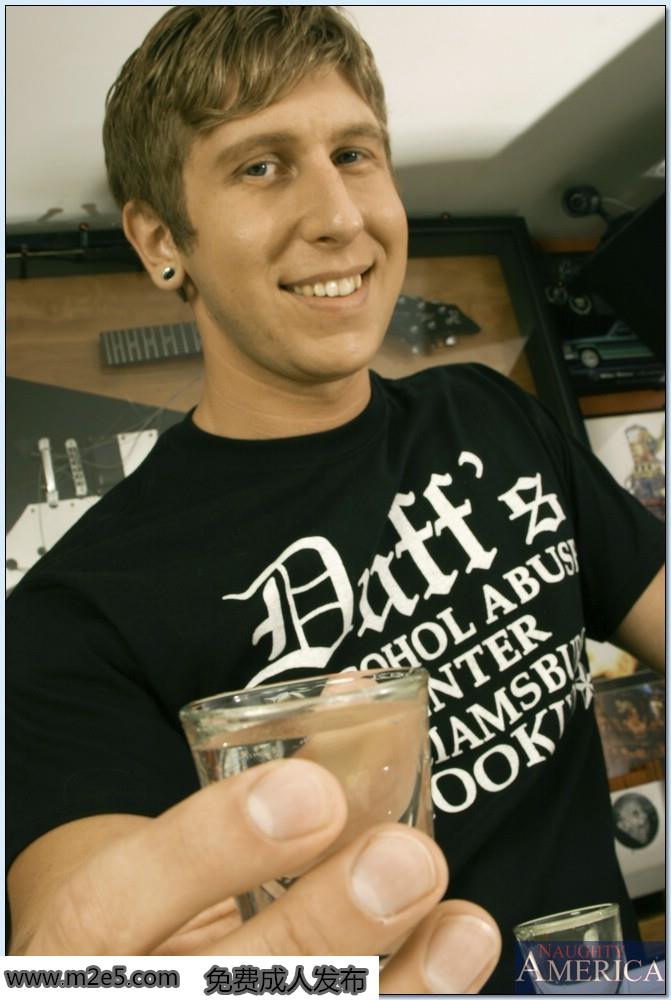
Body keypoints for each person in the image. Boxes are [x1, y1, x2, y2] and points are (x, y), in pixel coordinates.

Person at [6, 6, 664, 994]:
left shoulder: (489, 411)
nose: (339, 216)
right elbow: (87, 925)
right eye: (260, 165)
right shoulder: (68, 615)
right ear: (158, 238)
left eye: (353, 154)